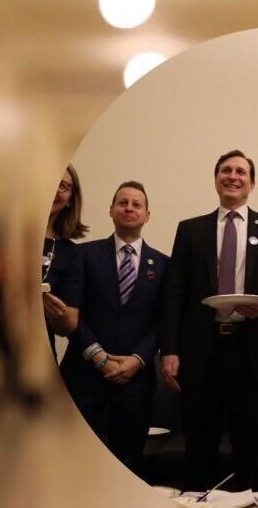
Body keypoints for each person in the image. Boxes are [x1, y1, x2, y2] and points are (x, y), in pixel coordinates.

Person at [160, 150, 258, 491]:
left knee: (250, 446)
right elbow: (174, 292)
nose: (233, 176)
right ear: (216, 179)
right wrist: (170, 350)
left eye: (241, 171)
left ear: (252, 183)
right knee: (199, 444)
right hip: (201, 353)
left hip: (253, 352)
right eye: (226, 170)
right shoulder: (190, 230)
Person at [60, 182, 168, 475]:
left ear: (148, 215)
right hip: (83, 378)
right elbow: (71, 314)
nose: (129, 208)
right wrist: (99, 357)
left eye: (137, 204)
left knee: (127, 465)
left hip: (135, 381)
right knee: (74, 464)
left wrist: (137, 360)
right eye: (123, 202)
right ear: (111, 210)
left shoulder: (163, 265)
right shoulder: (82, 256)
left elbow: (163, 321)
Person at [42, 164, 88, 357]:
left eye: (62, 186)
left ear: (70, 199)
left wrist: (58, 313)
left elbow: (67, 326)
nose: (53, 189)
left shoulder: (70, 252)